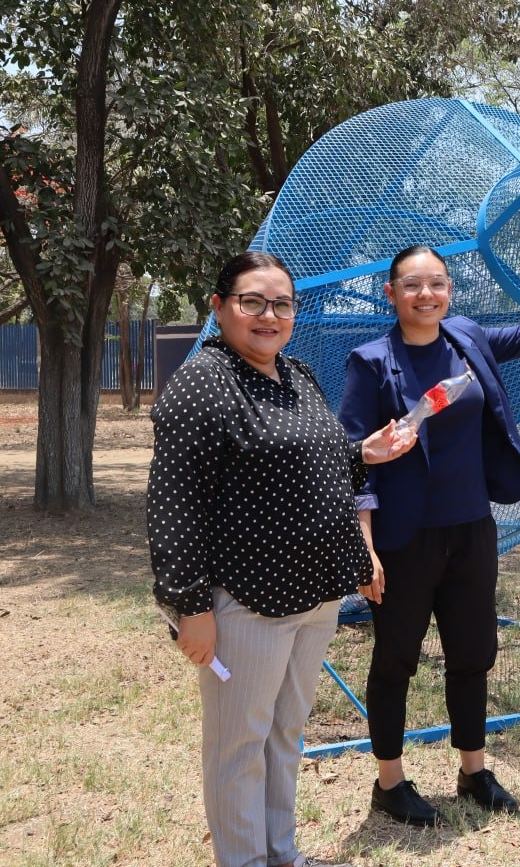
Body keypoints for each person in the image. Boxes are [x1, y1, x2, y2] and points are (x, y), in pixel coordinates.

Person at [339, 237, 520, 826]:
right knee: (396, 660)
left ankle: (473, 771)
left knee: (473, 653)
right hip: (404, 538)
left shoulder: (466, 339)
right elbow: (352, 456)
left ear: (450, 291)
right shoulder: (370, 361)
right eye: (413, 285)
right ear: (391, 294)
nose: (426, 294)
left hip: (471, 529)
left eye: (437, 283)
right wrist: (365, 547)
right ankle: (389, 783)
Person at [148, 251, 415, 867]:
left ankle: (281, 853)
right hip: (249, 599)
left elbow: (313, 466)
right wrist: (189, 607)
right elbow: (173, 502)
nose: (269, 315)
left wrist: (363, 454)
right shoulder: (203, 383)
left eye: (282, 304)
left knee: (283, 734)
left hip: (315, 593)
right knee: (239, 745)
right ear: (219, 308)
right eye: (252, 302)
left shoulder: (295, 374)